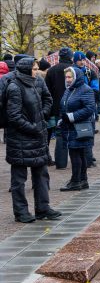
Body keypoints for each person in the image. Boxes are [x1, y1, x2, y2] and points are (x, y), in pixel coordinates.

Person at [4, 58, 59, 223]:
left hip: (38, 136)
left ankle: (43, 208)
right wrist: (32, 127)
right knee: (19, 179)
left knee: (42, 174)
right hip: (20, 139)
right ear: (27, 70)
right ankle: (21, 212)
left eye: (37, 69)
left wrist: (42, 115)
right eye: (34, 69)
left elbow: (48, 99)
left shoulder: (39, 82)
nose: (37, 71)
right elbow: (13, 116)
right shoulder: (14, 86)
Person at [57, 66, 96, 191]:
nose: (67, 79)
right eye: (66, 77)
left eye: (70, 77)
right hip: (69, 127)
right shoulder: (69, 89)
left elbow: (89, 108)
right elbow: (64, 106)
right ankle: (82, 180)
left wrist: (72, 116)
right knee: (78, 153)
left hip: (80, 127)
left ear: (76, 77)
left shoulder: (85, 89)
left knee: (76, 154)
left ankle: (76, 181)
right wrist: (62, 119)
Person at [44, 47, 73, 169]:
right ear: (70, 57)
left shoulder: (51, 70)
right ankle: (83, 161)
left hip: (57, 107)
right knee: (77, 134)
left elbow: (47, 92)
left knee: (61, 134)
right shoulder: (73, 70)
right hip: (73, 106)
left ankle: (61, 163)